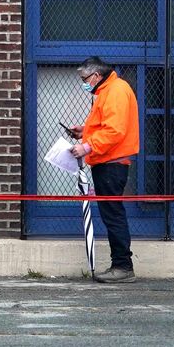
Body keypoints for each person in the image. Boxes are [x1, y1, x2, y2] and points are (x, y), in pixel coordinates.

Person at [68, 57, 140, 283]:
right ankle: (121, 265)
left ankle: (122, 267)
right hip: (109, 162)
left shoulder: (115, 91)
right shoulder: (110, 90)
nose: (84, 83)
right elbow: (107, 126)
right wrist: (84, 131)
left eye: (85, 79)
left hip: (110, 163)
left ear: (96, 76)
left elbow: (114, 131)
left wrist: (86, 146)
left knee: (113, 215)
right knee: (112, 214)